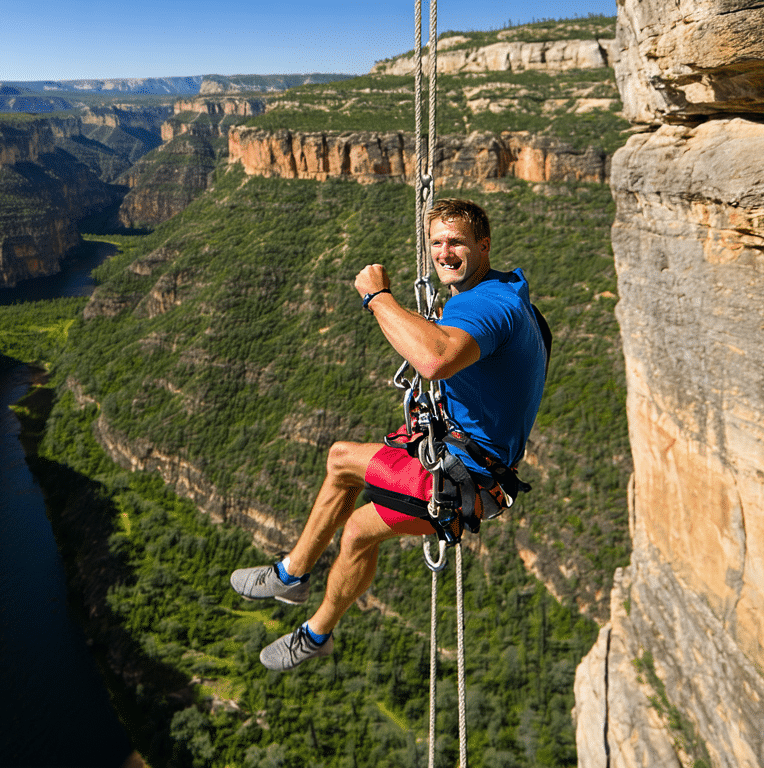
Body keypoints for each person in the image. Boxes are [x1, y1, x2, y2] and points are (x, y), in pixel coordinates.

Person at [230, 198, 547, 671]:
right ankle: (304, 605)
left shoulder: (486, 305)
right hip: (473, 463)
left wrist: (377, 297)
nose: (444, 252)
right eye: (436, 242)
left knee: (349, 491)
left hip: (463, 478)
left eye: (456, 242)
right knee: (349, 495)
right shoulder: (506, 292)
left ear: (483, 245)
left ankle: (301, 598)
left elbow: (435, 360)